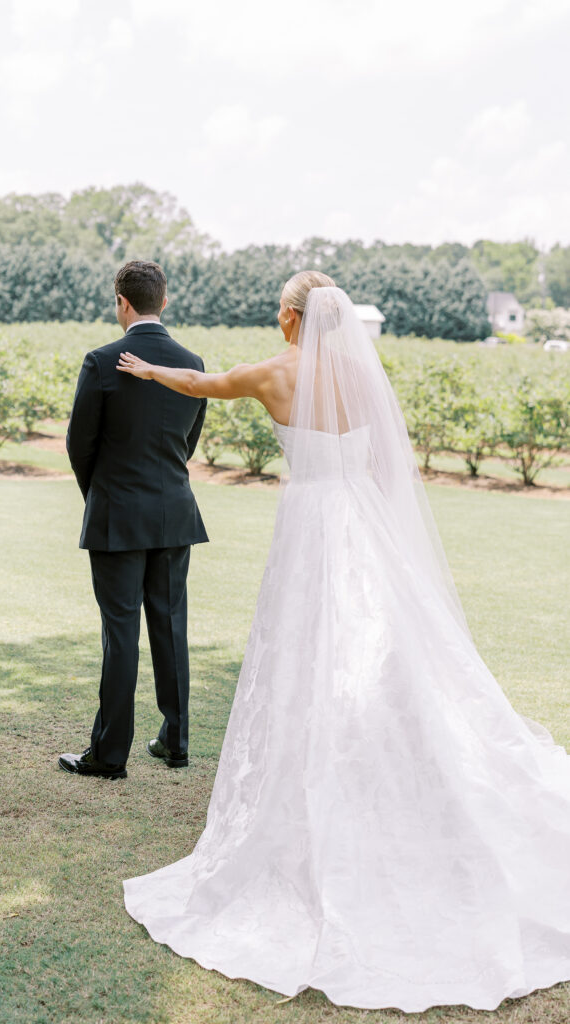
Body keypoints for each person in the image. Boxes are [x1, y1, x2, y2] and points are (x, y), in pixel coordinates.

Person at [117, 271, 570, 1012]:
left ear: (294, 318)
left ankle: (322, 771)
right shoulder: (362, 375)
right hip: (363, 517)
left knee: (302, 652)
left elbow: (202, 384)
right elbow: (390, 463)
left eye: (279, 311)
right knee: (384, 650)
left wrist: (147, 368)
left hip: (309, 523)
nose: (276, 318)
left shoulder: (274, 371)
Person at [59, 260, 208, 780]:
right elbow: (187, 445)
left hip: (117, 517)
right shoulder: (193, 362)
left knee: (120, 633)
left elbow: (81, 445)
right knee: (171, 628)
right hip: (174, 514)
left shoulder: (101, 362)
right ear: (163, 301)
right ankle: (177, 741)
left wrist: (99, 496)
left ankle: (109, 755)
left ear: (121, 301)